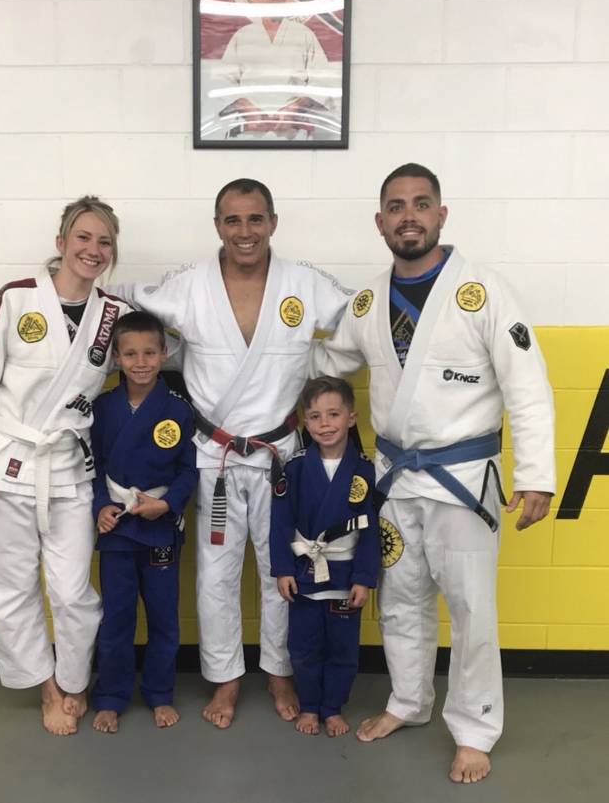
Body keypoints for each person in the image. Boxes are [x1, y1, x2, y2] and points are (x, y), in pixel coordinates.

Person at [312, 164, 555, 781]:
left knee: (471, 608)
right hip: (396, 479)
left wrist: (535, 474)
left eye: (421, 204)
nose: (409, 217)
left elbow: (527, 385)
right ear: (380, 221)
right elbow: (326, 361)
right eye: (396, 207)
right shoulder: (367, 301)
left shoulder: (483, 291)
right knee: (400, 600)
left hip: (463, 479)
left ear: (441, 214)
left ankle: (474, 728)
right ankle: (409, 701)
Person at [111, 177, 352, 728]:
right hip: (214, 455)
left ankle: (279, 670)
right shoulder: (188, 284)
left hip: (280, 454)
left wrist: (318, 365)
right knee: (216, 573)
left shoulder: (305, 283)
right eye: (233, 220)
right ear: (218, 225)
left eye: (255, 218)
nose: (245, 231)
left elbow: (364, 319)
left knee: (281, 566)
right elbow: (121, 299)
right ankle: (225, 677)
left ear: (273, 222)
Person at [0, 196, 130, 736]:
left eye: (104, 242)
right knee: (10, 586)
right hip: (5, 462)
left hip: (69, 468)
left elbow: (154, 354)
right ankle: (48, 689)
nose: (93, 250)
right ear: (61, 243)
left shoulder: (114, 314)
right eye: (83, 237)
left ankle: (75, 680)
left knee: (73, 591)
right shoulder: (16, 298)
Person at [89, 311, 197, 734]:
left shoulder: (178, 410)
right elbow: (93, 466)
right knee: (116, 616)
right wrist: (100, 505)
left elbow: (189, 470)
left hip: (158, 525)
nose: (140, 362)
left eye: (149, 353)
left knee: (163, 617)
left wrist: (167, 504)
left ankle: (159, 692)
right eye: (130, 353)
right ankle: (110, 696)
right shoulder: (103, 408)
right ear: (116, 357)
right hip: (116, 527)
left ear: (164, 353)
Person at [270, 376, 380, 737]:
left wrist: (364, 577)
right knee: (303, 646)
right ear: (305, 421)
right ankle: (309, 705)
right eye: (315, 416)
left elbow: (370, 530)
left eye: (334, 414)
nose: (325, 424)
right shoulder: (295, 467)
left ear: (351, 417)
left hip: (345, 573)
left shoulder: (364, 470)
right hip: (304, 570)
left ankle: (332, 707)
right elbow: (280, 522)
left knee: (342, 649)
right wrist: (282, 569)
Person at [205, 0, 341, 141]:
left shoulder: (304, 35)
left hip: (294, 135)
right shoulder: (243, 35)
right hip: (247, 134)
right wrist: (247, 108)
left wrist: (294, 108)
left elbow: (323, 81)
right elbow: (222, 82)